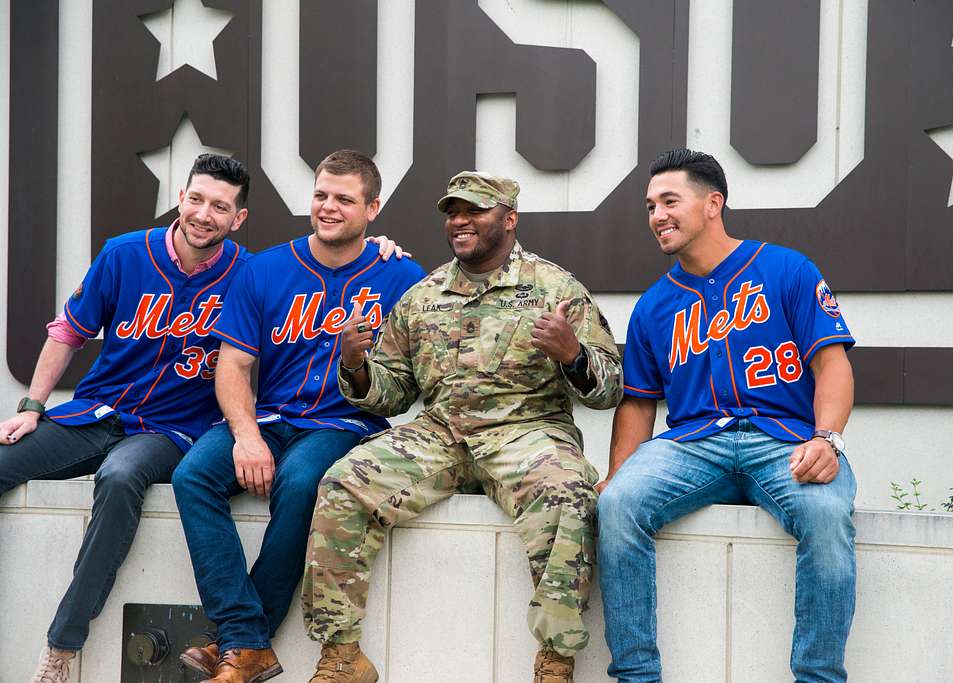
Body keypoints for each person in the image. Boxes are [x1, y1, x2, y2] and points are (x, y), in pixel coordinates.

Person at [300, 171, 623, 683]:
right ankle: (342, 657)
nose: (459, 221)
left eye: (474, 211)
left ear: (509, 219)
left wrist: (573, 354)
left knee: (568, 493)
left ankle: (556, 659)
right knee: (343, 483)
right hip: (440, 434)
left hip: (527, 431)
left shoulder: (554, 288)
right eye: (453, 212)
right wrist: (358, 367)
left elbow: (607, 390)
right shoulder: (423, 295)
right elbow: (395, 393)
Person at [596, 149, 857, 682]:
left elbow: (832, 364)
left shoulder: (785, 268)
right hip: (693, 446)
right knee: (619, 505)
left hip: (784, 441)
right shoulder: (653, 305)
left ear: (714, 203)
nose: (657, 216)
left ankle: (818, 678)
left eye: (670, 201)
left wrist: (828, 439)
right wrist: (618, 474)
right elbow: (639, 402)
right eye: (649, 206)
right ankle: (636, 675)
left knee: (828, 516)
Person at [171, 149, 425, 683]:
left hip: (344, 424)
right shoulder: (266, 268)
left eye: (344, 199)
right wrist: (245, 436)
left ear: (373, 209)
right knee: (192, 474)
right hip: (272, 418)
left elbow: (410, 382)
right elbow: (234, 368)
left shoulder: (401, 275)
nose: (328, 207)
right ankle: (245, 638)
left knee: (303, 479)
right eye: (321, 195)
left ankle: (237, 643)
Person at [0, 154, 250, 683]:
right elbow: (68, 331)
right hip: (98, 412)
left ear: (238, 218)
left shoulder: (249, 273)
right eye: (198, 199)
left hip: (171, 429)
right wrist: (31, 407)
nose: (205, 214)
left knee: (119, 478)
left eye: (220, 207)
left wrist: (384, 249)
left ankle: (61, 645)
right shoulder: (124, 253)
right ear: (180, 197)